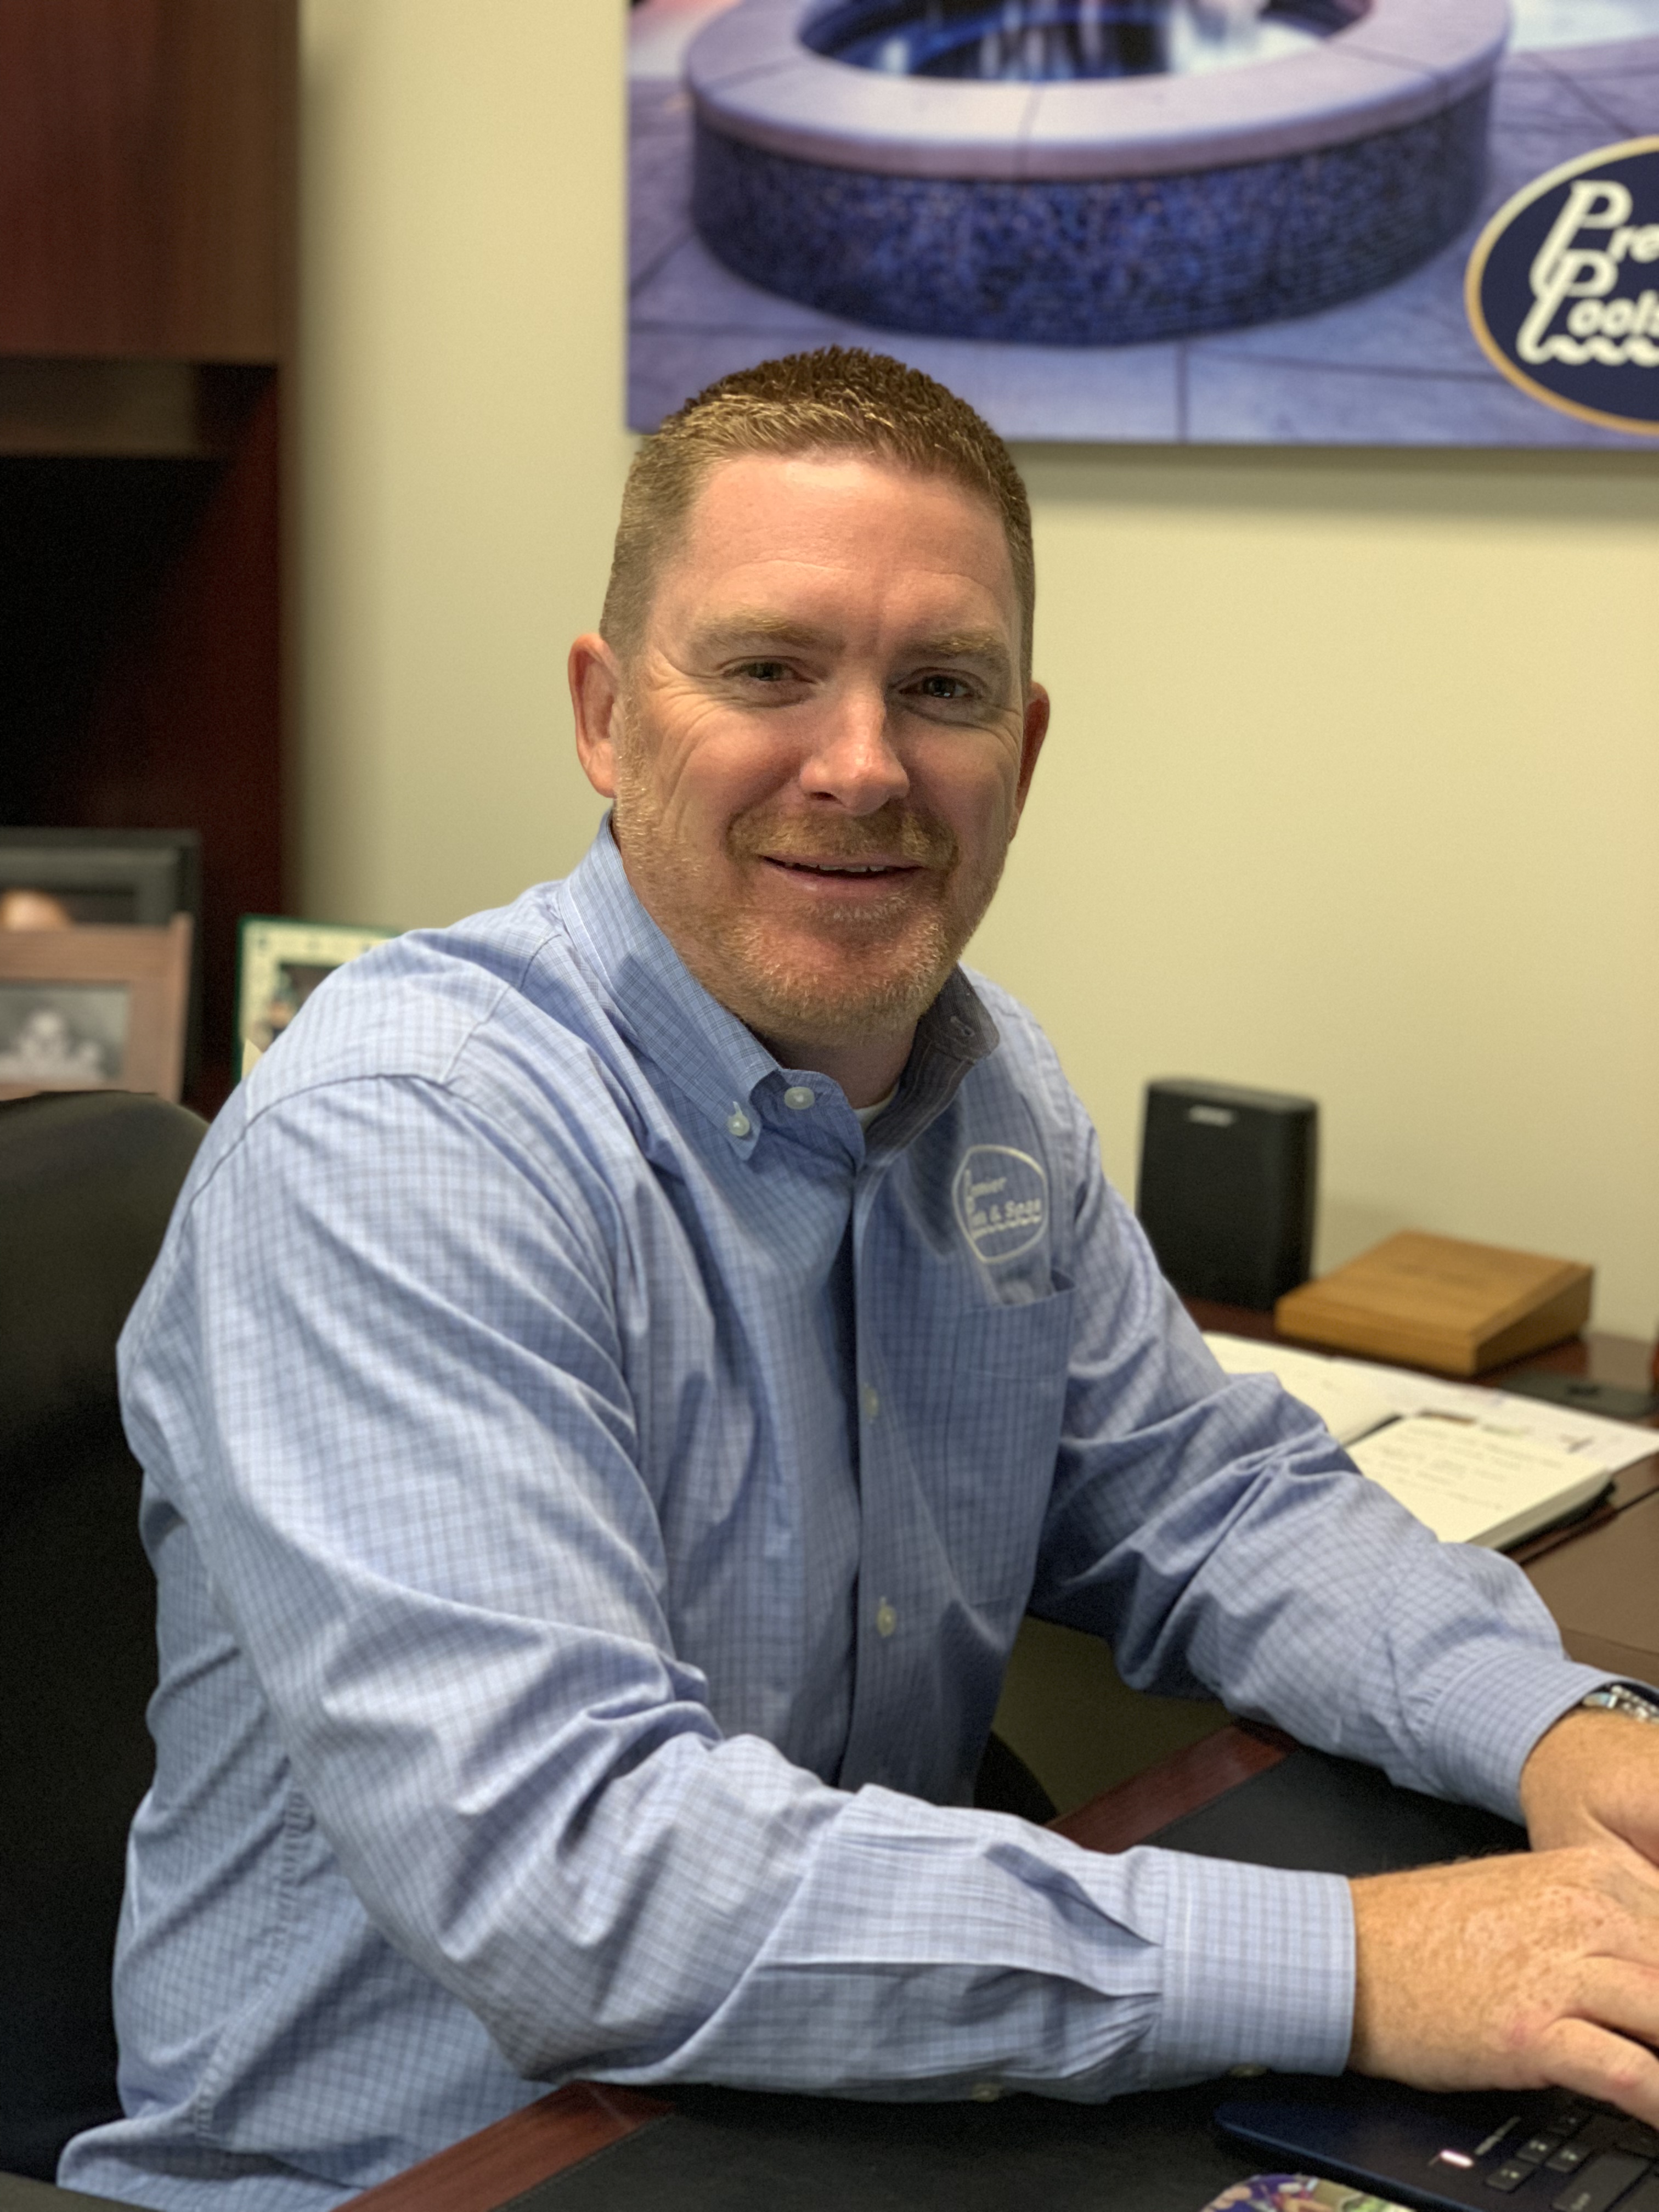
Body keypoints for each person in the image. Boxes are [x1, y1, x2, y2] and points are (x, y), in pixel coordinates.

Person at [63, 349, 1659, 2212]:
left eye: (942, 689)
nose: (863, 765)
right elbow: (580, 1884)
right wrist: (1365, 1965)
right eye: (768, 670)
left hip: (806, 2121)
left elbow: (1208, 1504)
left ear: (1024, 752)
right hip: (421, 2173)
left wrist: (1558, 1728)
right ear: (605, 714)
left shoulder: (985, 1090)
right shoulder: (409, 1142)